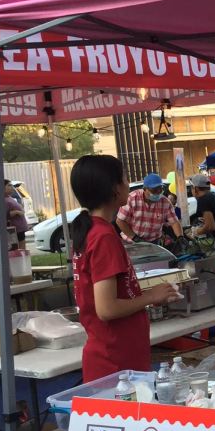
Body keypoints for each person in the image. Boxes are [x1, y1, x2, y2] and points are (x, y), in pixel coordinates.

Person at [71, 157, 178, 381]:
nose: (129, 184)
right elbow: (106, 309)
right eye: (125, 178)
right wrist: (150, 295)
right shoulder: (103, 236)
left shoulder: (95, 231)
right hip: (115, 362)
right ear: (114, 188)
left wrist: (143, 298)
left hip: (119, 356)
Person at [116, 172, 184, 243]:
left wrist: (180, 237)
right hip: (131, 242)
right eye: (154, 190)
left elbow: (174, 222)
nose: (158, 193)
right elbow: (120, 221)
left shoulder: (165, 202)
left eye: (160, 189)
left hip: (154, 242)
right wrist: (135, 238)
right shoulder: (132, 199)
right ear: (145, 189)